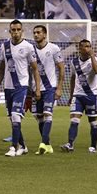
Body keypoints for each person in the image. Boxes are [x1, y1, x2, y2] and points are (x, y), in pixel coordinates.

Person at [0, 20, 41, 157]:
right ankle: (23, 146)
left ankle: (13, 148)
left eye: (18, 30)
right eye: (13, 30)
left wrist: (37, 88)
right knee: (12, 119)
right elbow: (2, 68)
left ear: (22, 31)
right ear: (10, 31)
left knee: (16, 116)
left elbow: (35, 69)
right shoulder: (4, 47)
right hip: (8, 87)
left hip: (21, 86)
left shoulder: (28, 47)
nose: (15, 32)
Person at [61, 39, 97, 153]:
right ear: (79, 49)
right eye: (85, 46)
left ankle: (93, 146)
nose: (87, 48)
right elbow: (73, 78)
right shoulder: (74, 62)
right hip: (78, 95)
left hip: (91, 96)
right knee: (74, 120)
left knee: (93, 122)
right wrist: (71, 95)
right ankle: (70, 144)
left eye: (89, 46)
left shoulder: (96, 60)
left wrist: (92, 56)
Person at [31, 25, 65, 155]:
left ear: (45, 34)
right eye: (34, 33)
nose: (36, 35)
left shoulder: (54, 48)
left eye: (38, 32)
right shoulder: (31, 50)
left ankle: (43, 143)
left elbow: (61, 68)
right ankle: (48, 145)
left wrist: (59, 87)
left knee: (47, 114)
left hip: (50, 87)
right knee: (39, 117)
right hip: (36, 88)